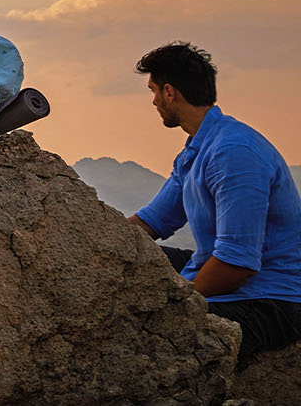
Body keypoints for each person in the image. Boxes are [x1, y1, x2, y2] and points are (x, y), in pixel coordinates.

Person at [127, 42, 301, 363]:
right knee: (129, 258)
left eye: (153, 91)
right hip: (225, 273)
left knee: (153, 336)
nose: (153, 101)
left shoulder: (234, 153)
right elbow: (149, 223)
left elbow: (237, 265)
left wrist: (176, 302)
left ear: (169, 92)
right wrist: (94, 243)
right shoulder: (197, 149)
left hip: (269, 299)